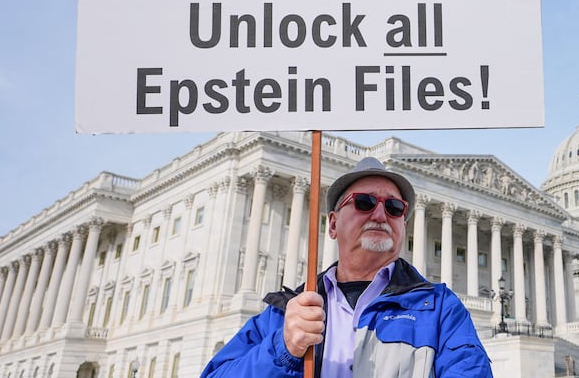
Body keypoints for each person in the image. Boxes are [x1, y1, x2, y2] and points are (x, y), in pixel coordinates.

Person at [200, 157, 492, 377]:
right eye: (364, 203)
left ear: (403, 224)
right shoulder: (287, 313)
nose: (380, 214)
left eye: (394, 207)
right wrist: (283, 349)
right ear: (333, 224)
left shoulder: (442, 309)